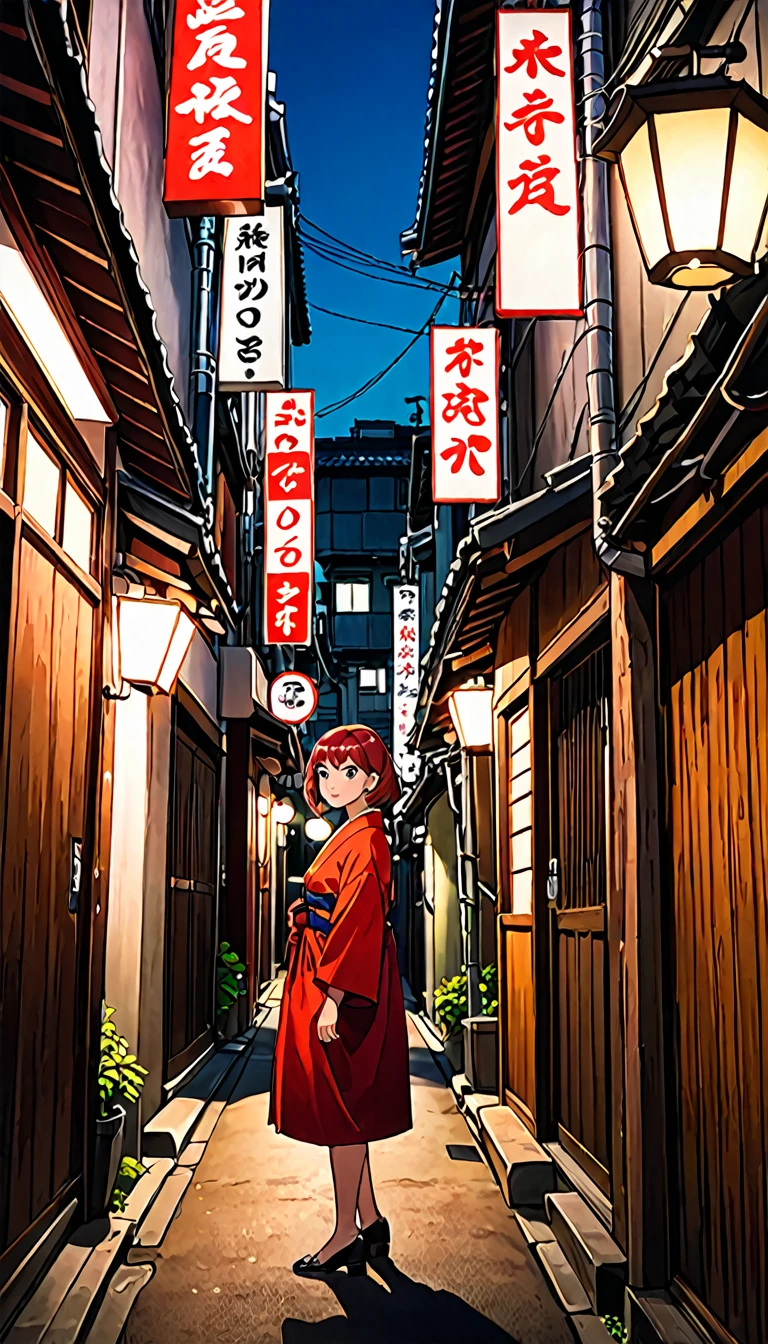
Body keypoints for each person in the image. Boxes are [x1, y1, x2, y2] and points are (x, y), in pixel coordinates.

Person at [269, 725, 412, 1278]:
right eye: (325, 772)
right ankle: (370, 1220)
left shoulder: (368, 840)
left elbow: (359, 922)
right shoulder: (354, 833)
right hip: (331, 973)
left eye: (348, 771)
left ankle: (345, 1234)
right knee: (347, 1107)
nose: (333, 782)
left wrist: (333, 997)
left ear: (373, 779)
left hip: (345, 986)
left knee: (341, 1108)